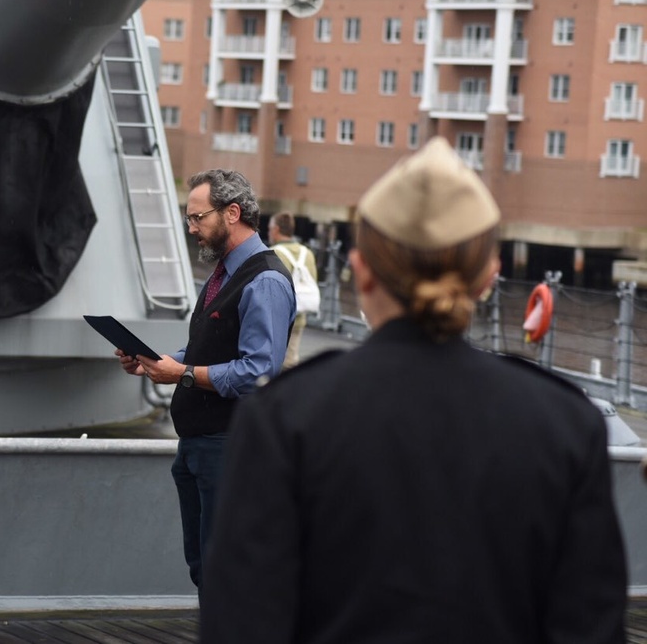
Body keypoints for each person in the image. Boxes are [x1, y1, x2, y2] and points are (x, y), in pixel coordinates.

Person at [200, 137, 628, 643]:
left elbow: (242, 623)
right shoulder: (567, 427)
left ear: (360, 272)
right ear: (489, 278)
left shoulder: (284, 420)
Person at [116, 169, 295, 591]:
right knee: (205, 568)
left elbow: (259, 373)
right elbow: (207, 351)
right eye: (189, 219)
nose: (192, 228)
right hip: (201, 446)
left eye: (199, 218)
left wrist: (183, 375)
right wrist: (156, 363)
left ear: (233, 213)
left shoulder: (264, 280)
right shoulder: (223, 274)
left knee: (225, 573)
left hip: (230, 447)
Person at [269, 211, 318, 369]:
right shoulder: (307, 253)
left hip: (277, 321)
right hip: (299, 318)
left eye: (270, 229)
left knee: (272, 365)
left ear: (276, 230)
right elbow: (313, 280)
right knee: (290, 362)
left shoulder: (274, 253)